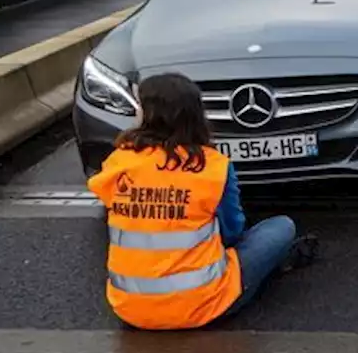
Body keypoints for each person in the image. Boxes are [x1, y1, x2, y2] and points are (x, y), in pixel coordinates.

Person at [86, 73, 318, 330]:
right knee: (281, 227)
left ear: (148, 115)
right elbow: (233, 233)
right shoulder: (212, 167)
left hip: (130, 308)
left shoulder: (120, 162)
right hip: (204, 305)